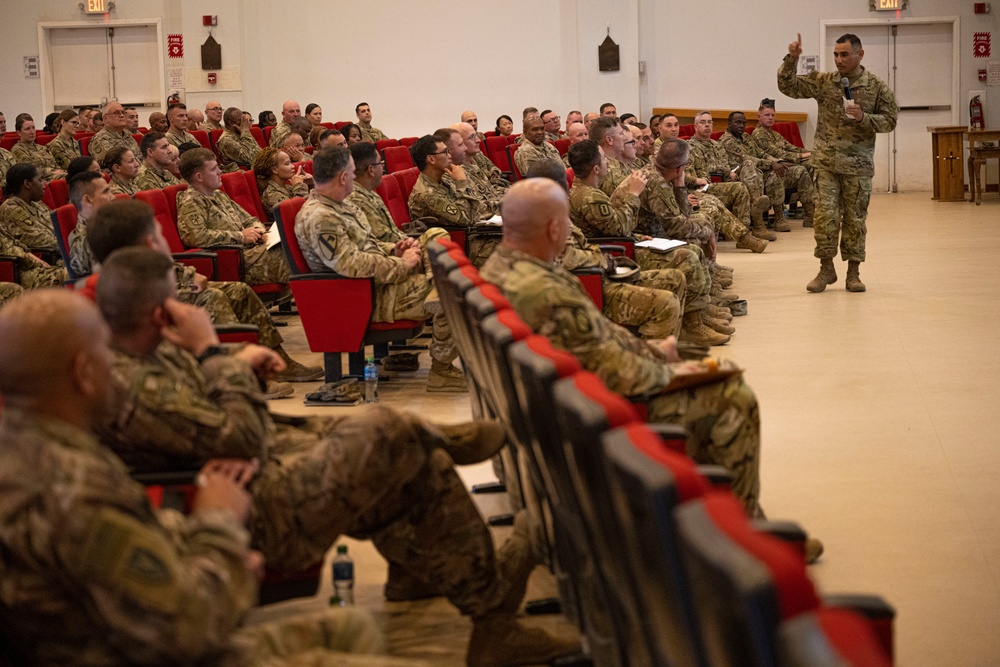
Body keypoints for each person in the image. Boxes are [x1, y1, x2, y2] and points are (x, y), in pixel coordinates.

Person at [0, 287, 441, 667]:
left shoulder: (30, 448)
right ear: (84, 373)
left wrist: (197, 540)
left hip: (126, 632)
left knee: (350, 626)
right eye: (104, 353)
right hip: (144, 650)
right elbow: (190, 625)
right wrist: (220, 525)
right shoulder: (71, 488)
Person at [87, 200, 322, 383]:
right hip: (161, 294)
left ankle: (276, 357)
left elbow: (163, 265)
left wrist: (189, 273)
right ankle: (238, 370)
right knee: (214, 295)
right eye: (160, 235)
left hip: (168, 286)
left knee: (239, 290)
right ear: (151, 243)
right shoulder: (124, 275)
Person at [296, 146, 468, 393]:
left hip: (377, 285)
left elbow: (368, 245)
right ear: (344, 176)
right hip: (362, 298)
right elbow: (351, 264)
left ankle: (434, 284)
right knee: (454, 292)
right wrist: (402, 264)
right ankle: (441, 371)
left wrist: (394, 250)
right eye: (352, 172)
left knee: (436, 240)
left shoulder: (340, 206)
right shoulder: (321, 216)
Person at [566, 141, 729, 347]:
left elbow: (615, 229)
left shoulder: (591, 192)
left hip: (625, 242)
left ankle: (698, 314)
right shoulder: (589, 197)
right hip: (617, 254)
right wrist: (633, 195)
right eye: (604, 159)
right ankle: (693, 324)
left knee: (691, 248)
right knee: (687, 256)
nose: (609, 162)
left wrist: (638, 236)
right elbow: (618, 230)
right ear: (596, 169)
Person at [780, 32, 898, 293]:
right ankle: (826, 269)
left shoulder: (876, 86)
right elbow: (788, 87)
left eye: (844, 54)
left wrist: (863, 118)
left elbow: (890, 120)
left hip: (858, 166)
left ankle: (853, 273)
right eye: (835, 54)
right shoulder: (825, 82)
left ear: (860, 54)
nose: (839, 60)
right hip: (826, 164)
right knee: (824, 218)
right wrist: (792, 59)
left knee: (855, 219)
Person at [176, 148, 291, 287]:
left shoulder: (218, 195)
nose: (220, 171)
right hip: (238, 260)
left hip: (254, 250)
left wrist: (258, 230)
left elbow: (249, 219)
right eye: (213, 169)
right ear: (199, 177)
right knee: (293, 254)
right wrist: (240, 236)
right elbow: (195, 236)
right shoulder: (191, 201)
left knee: (295, 244)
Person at [687, 110, 775, 241]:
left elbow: (726, 164)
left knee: (748, 164)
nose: (707, 125)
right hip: (705, 187)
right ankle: (753, 225)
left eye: (709, 122)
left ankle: (754, 213)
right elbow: (705, 170)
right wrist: (727, 172)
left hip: (723, 181)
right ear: (695, 126)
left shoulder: (716, 145)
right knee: (739, 188)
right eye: (702, 122)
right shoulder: (690, 146)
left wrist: (730, 172)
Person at [718, 111, 789, 232]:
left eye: (744, 123)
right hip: (739, 175)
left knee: (774, 174)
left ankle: (779, 217)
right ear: (729, 123)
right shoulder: (726, 141)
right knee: (749, 164)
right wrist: (771, 164)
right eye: (738, 122)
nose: (741, 126)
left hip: (757, 172)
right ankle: (758, 222)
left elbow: (761, 153)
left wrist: (778, 161)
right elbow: (746, 158)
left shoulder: (746, 137)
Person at [751, 100, 815, 227]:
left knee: (814, 163)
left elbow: (790, 147)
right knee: (801, 171)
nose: (770, 118)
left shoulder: (775, 134)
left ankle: (813, 211)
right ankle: (789, 216)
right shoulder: (758, 134)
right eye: (767, 115)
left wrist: (810, 152)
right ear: (759, 117)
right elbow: (777, 153)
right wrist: (801, 156)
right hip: (769, 170)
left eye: (772, 115)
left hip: (784, 166)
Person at [346, 141, 408, 244]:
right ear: (371, 170)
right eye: (381, 163)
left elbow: (393, 233)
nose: (383, 167)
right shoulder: (356, 199)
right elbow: (383, 238)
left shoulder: (370, 192)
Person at [0, 163, 61, 255]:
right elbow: (39, 240)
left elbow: (58, 226)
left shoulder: (37, 203)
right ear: (27, 184)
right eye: (40, 180)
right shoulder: (11, 208)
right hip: (48, 258)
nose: (44, 186)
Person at [66, 170, 115, 277]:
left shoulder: (111, 224)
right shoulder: (84, 240)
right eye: (106, 192)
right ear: (88, 200)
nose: (113, 197)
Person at [252, 147, 311, 222]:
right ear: (275, 169)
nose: (293, 166)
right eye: (287, 163)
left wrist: (311, 185)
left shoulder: (288, 187)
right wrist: (299, 186)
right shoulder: (271, 194)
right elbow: (295, 215)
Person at [10, 113, 65, 181]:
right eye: (27, 129)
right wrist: (52, 172)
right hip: (40, 181)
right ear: (19, 132)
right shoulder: (18, 150)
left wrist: (60, 171)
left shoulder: (43, 148)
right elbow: (30, 171)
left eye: (33, 128)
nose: (32, 132)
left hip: (56, 177)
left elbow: (55, 164)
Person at [217, 107, 262, 172]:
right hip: (243, 173)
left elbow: (259, 153)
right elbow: (250, 158)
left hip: (255, 170)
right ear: (231, 123)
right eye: (241, 121)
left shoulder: (241, 133)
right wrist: (246, 132)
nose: (245, 123)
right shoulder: (226, 140)